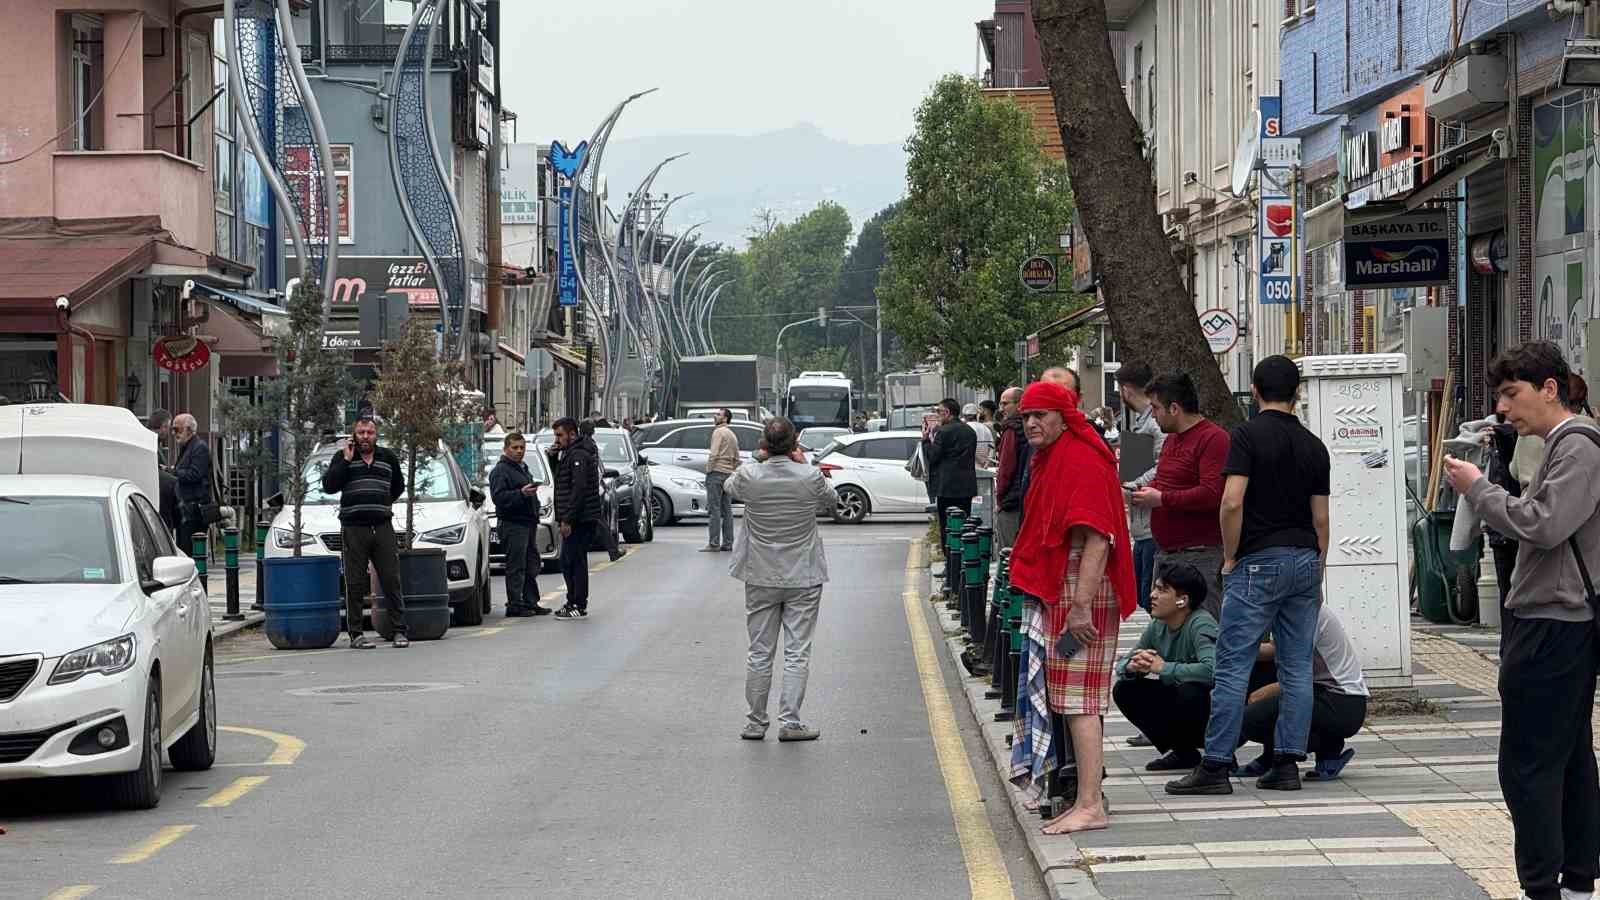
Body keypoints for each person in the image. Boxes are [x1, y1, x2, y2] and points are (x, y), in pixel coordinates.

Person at [1443, 341, 1600, 900]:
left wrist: (1479, 490)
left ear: (1549, 389)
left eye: (1512, 394)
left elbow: (1546, 524)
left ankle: (1544, 886)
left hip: (1553, 622)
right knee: (1568, 754)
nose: (1505, 408)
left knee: (1529, 764)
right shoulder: (1563, 444)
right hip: (1558, 617)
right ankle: (1576, 881)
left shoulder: (1577, 446)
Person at [1167, 355, 1329, 796]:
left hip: (1258, 560)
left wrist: (1231, 556)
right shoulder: (1315, 445)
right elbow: (1321, 519)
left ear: (1255, 391)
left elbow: (1232, 501)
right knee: (1296, 667)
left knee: (1233, 662)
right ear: (1296, 392)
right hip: (1304, 560)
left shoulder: (1246, 436)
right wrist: (1318, 566)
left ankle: (1216, 764)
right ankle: (1287, 764)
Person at [1007, 379, 1137, 835]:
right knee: (1067, 697)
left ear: (1064, 415)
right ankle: (1086, 798)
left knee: (1080, 701)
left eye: (1040, 414)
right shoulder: (1057, 456)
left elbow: (1098, 536)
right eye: (1025, 416)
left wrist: (1079, 607)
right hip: (1068, 584)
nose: (1031, 423)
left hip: (1084, 589)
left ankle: (1090, 804)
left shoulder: (1080, 458)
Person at [725, 416, 837, 742]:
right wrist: (804, 461)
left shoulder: (750, 475)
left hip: (760, 573)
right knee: (797, 651)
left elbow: (730, 486)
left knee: (760, 651)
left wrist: (756, 458)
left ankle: (755, 722)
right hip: (803, 574)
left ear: (763, 444)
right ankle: (790, 721)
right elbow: (831, 500)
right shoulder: (809, 476)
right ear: (794, 444)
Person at [1132, 372, 1230, 619]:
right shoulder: (1171, 439)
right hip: (1167, 553)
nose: (1152, 414)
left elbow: (1212, 493)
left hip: (1199, 556)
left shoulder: (1213, 439)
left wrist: (1161, 499)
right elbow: (1165, 480)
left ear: (1174, 408)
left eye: (1155, 407)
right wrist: (1142, 491)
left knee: (1202, 627)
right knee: (1165, 632)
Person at [1233, 605, 1368, 782]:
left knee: (1252, 718)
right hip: (1321, 693)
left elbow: (1299, 673)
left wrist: (1263, 693)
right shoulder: (1291, 610)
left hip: (1340, 702)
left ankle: (1322, 745)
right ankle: (1278, 755)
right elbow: (1276, 648)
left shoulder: (1308, 614)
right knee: (1257, 677)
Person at [1112, 561, 1219, 772]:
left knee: (1190, 690)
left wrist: (1164, 668)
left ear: (1182, 600)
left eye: (1162, 590)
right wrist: (1133, 666)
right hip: (1179, 696)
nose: (1152, 595)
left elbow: (1213, 670)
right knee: (1124, 690)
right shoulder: (1158, 625)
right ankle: (1182, 752)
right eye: (1154, 588)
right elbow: (1124, 662)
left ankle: (1218, 754)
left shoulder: (1201, 623)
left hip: (1210, 706)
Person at [321, 417, 409, 649]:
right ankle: (356, 634)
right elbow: (329, 485)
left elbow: (398, 486)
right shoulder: (343, 458)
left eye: (369, 432)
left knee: (391, 579)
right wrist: (346, 460)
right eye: (361, 432)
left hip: (382, 526)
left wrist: (380, 503)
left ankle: (399, 631)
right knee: (355, 582)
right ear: (354, 434)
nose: (365, 437)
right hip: (354, 527)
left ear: (376, 435)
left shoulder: (388, 457)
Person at [1114, 363, 1167, 614]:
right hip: (1142, 526)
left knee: (1150, 596)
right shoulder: (1143, 422)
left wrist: (1132, 486)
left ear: (1125, 390)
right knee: (1144, 595)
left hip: (1150, 527)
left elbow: (1163, 465)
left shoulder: (1153, 424)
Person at [549, 416, 603, 620]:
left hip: (580, 519)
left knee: (574, 561)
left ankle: (578, 603)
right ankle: (573, 600)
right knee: (569, 560)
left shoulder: (578, 453)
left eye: (560, 435)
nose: (557, 439)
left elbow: (578, 489)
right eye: (556, 435)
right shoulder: (568, 453)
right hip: (575, 517)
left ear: (572, 434)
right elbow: (561, 480)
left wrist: (568, 519)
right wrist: (554, 457)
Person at [489, 432, 549, 617]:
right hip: (512, 524)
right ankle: (514, 604)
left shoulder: (522, 468)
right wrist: (521, 494)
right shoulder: (500, 471)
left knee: (531, 563)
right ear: (506, 449)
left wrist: (534, 503)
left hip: (527, 523)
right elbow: (499, 498)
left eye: (522, 447)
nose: (519, 451)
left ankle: (530, 601)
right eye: (514, 448)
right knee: (516, 565)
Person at [924, 398, 978, 556]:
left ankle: (950, 562)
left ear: (947, 412)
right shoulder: (969, 431)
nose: (937, 415)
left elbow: (933, 456)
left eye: (939, 412)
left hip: (947, 487)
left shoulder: (944, 431)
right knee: (964, 524)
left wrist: (926, 440)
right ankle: (964, 559)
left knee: (947, 526)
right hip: (966, 486)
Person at [578, 418, 624, 562]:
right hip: (590, 492)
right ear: (592, 431)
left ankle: (612, 551)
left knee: (596, 523)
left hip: (586, 491)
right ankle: (612, 551)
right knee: (599, 523)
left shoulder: (582, 444)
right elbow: (593, 471)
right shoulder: (589, 445)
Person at [171, 413, 213, 556]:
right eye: (173, 430)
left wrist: (173, 472)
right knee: (184, 548)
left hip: (194, 510)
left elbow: (195, 474)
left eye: (177, 429)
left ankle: (198, 577)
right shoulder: (187, 447)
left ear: (188, 430)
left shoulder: (199, 447)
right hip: (186, 510)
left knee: (190, 551)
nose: (174, 433)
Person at [993, 386, 1028, 550]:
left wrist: (1000, 499)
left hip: (1011, 502)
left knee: (1008, 554)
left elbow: (1006, 469)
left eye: (1005, 404)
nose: (1001, 409)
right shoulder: (1029, 426)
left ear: (1019, 404)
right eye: (1000, 404)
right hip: (1026, 498)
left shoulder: (1011, 429)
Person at [702, 408, 738, 552]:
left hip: (716, 472)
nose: (715, 416)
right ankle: (728, 543)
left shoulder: (718, 432)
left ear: (725, 418)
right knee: (727, 509)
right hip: (728, 474)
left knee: (714, 509)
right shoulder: (732, 434)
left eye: (718, 414)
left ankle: (714, 543)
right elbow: (736, 457)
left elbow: (714, 453)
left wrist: (709, 470)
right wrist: (730, 469)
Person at [147, 411, 180, 541]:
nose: (169, 432)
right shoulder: (151, 444)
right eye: (168, 427)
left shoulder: (151, 442)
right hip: (160, 501)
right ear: (163, 427)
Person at [963, 402, 995, 467]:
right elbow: (992, 446)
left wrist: (981, 462)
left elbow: (969, 448)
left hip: (970, 467)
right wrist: (987, 462)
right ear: (976, 414)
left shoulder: (964, 428)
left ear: (965, 416)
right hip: (986, 468)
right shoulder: (985, 428)